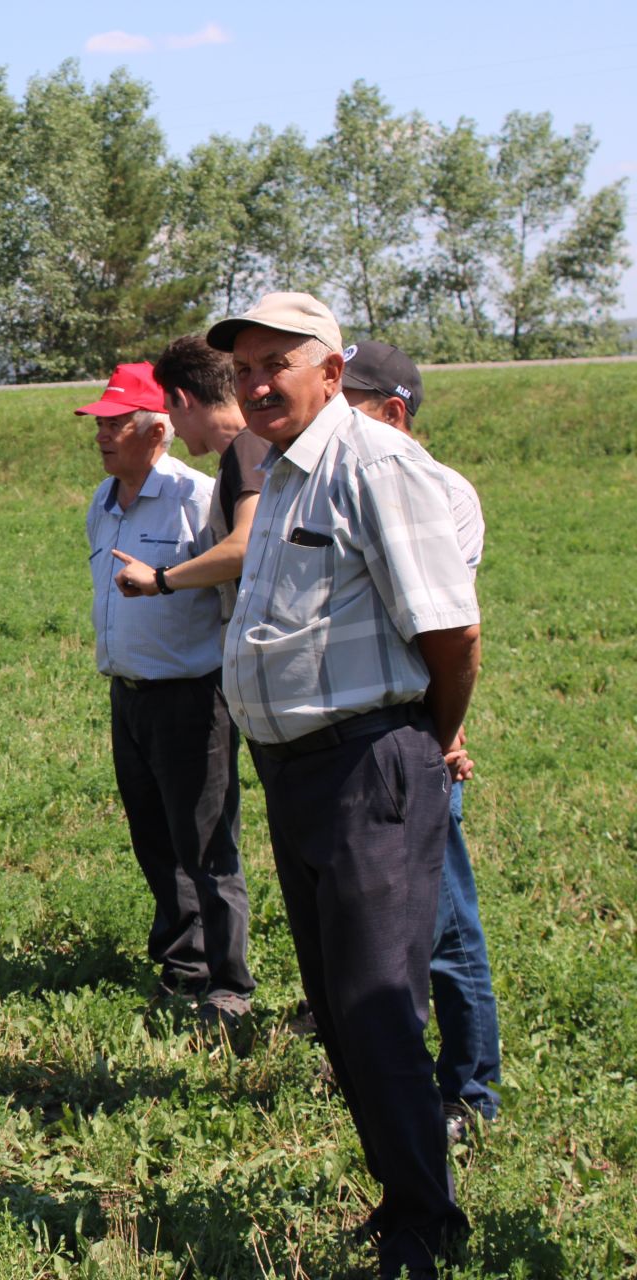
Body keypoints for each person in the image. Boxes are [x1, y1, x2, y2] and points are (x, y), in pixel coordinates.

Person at [212, 293, 480, 1278]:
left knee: (372, 1002)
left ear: (332, 369)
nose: (256, 382)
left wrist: (427, 738)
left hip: (372, 764)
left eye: (277, 362)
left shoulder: (377, 467)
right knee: (336, 1004)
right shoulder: (285, 474)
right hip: (300, 772)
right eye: (243, 367)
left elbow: (452, 633)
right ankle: (404, 1196)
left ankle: (426, 1223)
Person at [342, 340, 500, 1142]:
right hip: (380, 736)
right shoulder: (348, 480)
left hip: (418, 736)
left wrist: (445, 733)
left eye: (352, 404)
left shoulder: (440, 494)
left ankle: (470, 1090)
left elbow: (442, 632)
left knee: (444, 920)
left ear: (393, 413)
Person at [77, 362, 254, 1029]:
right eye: (98, 422)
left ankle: (229, 984)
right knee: (153, 836)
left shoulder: (197, 497)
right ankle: (184, 963)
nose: (102, 434)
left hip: (192, 696)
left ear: (158, 429)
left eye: (117, 422)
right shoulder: (102, 502)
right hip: (130, 695)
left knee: (206, 843)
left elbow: (232, 577)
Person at [109, 336, 272, 622]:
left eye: (168, 409)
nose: (173, 426)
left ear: (183, 400)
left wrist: (161, 579)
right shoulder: (251, 446)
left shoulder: (246, 448)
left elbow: (246, 545)